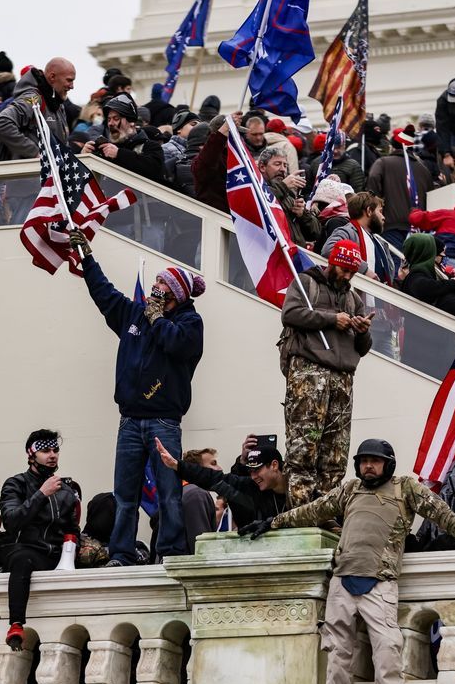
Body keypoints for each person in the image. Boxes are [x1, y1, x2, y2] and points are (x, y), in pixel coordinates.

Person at [238, 438, 455, 684]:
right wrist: (272, 523)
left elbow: (441, 514)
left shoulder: (405, 488)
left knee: (387, 650)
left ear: (387, 463)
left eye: (374, 461)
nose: (368, 466)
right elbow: (312, 511)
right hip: (342, 581)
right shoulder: (350, 490)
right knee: (337, 654)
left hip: (380, 581)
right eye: (364, 460)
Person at [72, 231, 205, 564]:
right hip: (130, 419)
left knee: (169, 492)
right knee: (125, 495)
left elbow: (175, 344)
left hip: (164, 420)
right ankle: (122, 554)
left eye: (162, 287)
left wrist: (157, 317)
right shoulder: (134, 315)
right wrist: (87, 258)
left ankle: (172, 552)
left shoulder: (190, 322)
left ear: (176, 295)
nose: (155, 292)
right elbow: (105, 294)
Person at [279, 240, 373, 506]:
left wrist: (362, 331)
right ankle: (300, 509)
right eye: (344, 270)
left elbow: (363, 348)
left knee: (335, 452)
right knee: (303, 446)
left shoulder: (354, 299)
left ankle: (326, 510)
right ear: (332, 263)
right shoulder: (307, 284)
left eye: (352, 272)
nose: (347, 277)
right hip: (310, 373)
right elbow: (291, 313)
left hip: (342, 379)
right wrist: (333, 319)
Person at [0, 431, 82, 650]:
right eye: (46, 451)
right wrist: (41, 494)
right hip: (28, 551)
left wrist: (73, 549)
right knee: (21, 559)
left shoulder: (66, 491)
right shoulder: (16, 483)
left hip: (57, 555)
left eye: (55, 450)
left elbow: (73, 529)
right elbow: (11, 521)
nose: (52, 455)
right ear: (31, 454)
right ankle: (16, 624)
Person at [161, 435, 290, 530]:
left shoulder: (305, 483)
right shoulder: (251, 487)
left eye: (257, 470)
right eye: (250, 471)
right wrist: (177, 465)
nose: (253, 476)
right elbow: (213, 478)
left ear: (274, 465)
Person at [0, 57, 76, 160]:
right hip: (27, 174)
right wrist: (34, 152)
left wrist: (80, 154)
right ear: (52, 77)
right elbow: (1, 124)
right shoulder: (33, 99)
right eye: (69, 80)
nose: (72, 86)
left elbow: (60, 149)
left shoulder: (57, 105)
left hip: (49, 173)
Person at [86, 92, 166, 184]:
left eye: (116, 119)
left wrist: (119, 154)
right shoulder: (106, 150)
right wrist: (86, 156)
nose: (110, 124)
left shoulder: (150, 146)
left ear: (131, 122)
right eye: (109, 119)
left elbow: (154, 169)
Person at [366, 142, 430, 251]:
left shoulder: (383, 162)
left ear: (393, 147)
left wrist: (374, 204)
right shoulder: (424, 169)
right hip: (417, 229)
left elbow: (373, 178)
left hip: (391, 225)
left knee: (393, 263)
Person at [260, 145, 322, 249]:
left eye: (285, 165)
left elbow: (316, 233)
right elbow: (260, 203)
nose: (283, 169)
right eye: (277, 164)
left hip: (294, 257)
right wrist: (283, 186)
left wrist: (302, 215)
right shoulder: (255, 188)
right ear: (262, 167)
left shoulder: (289, 197)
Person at [408, 196, 455, 280]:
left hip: (448, 261)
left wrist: (415, 211)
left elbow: (418, 219)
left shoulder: (448, 214)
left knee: (444, 290)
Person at [400, 233, 455, 318]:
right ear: (426, 253)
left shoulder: (436, 275)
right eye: (433, 251)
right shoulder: (415, 276)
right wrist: (452, 283)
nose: (442, 256)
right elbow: (427, 289)